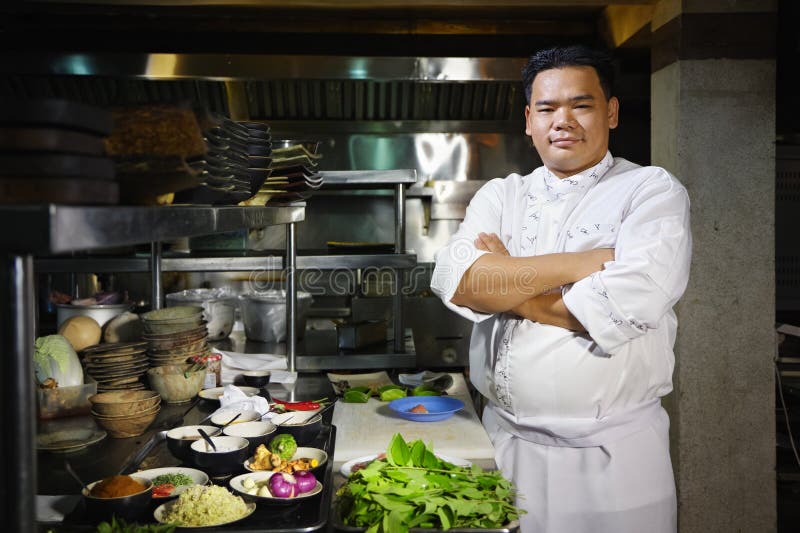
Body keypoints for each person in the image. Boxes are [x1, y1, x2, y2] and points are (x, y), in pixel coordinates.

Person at [430, 44, 692, 533]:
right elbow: (461, 283)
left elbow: (624, 303)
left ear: (610, 112)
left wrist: (508, 280)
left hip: (612, 463)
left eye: (582, 104)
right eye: (547, 108)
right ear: (529, 119)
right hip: (504, 447)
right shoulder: (502, 194)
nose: (562, 120)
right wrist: (583, 265)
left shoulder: (651, 191)